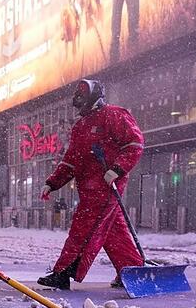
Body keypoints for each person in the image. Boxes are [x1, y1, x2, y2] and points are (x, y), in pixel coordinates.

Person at [38, 79, 144, 290]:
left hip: (105, 185)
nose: (79, 103)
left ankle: (64, 271)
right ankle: (132, 271)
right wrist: (53, 182)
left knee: (85, 227)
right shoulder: (81, 126)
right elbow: (72, 160)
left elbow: (135, 143)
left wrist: (117, 169)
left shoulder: (115, 115)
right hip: (88, 187)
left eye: (82, 98)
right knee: (113, 231)